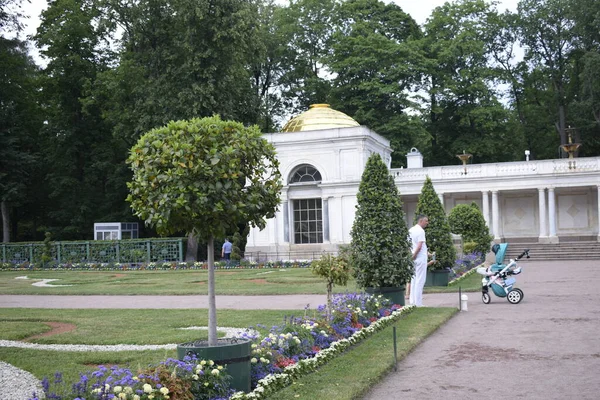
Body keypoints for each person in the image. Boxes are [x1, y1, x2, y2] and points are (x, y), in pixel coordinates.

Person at [409, 215, 429, 306]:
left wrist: (411, 255)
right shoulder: (421, 231)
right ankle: (418, 303)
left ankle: (412, 301)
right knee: (420, 280)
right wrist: (415, 255)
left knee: (413, 279)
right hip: (419, 258)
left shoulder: (411, 230)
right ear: (421, 221)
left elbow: (409, 244)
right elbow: (419, 245)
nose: (427, 223)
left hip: (413, 257)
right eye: (426, 221)